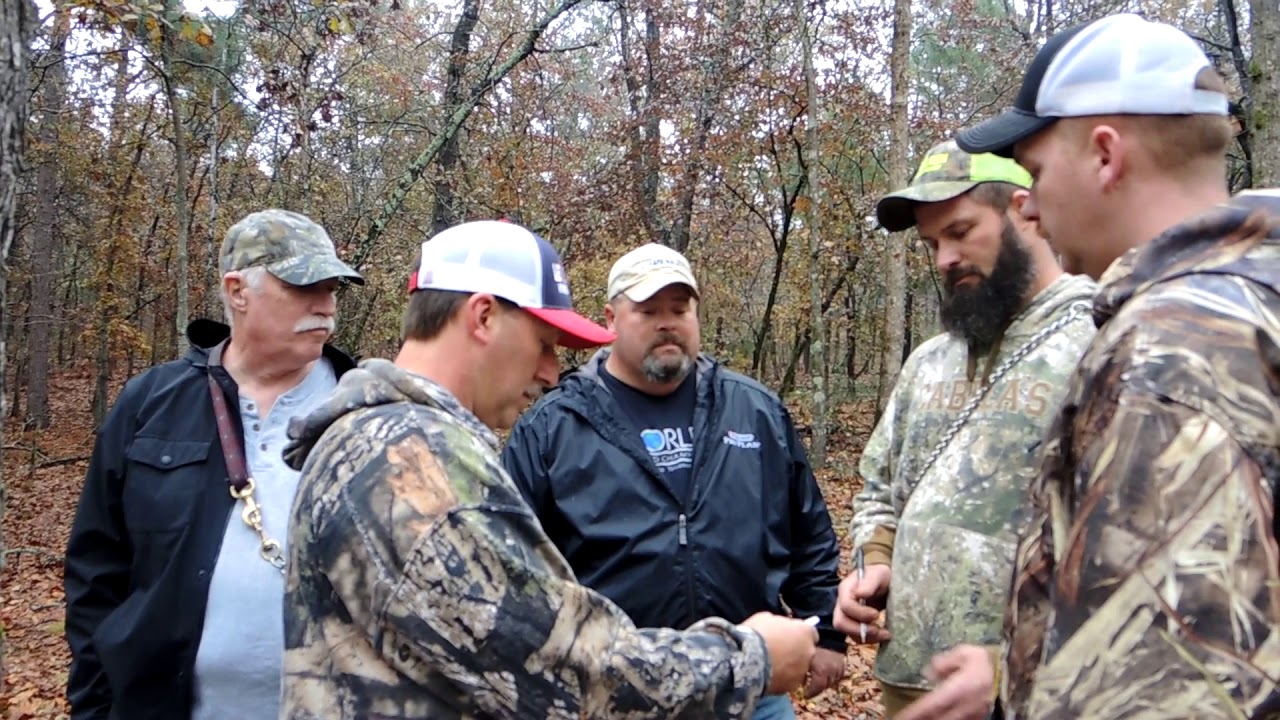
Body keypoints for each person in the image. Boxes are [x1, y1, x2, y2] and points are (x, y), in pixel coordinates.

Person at [884, 13, 1280, 720]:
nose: (1032, 202)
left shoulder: (1170, 360)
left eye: (1035, 172)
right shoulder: (1243, 302)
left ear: (1104, 155)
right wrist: (1017, 672)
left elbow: (1175, 689)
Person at [278, 219, 821, 719]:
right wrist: (749, 659)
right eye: (543, 344)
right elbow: (554, 665)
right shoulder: (406, 464)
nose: (550, 371)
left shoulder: (381, 438)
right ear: (484, 316)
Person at [499, 242, 847, 719]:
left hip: (751, 689)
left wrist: (826, 632)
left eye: (680, 308)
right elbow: (514, 565)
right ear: (611, 318)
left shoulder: (753, 411)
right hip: (617, 693)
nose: (668, 322)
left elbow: (808, 532)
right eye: (648, 310)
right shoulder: (553, 426)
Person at [63, 209, 364, 720]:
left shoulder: (364, 411)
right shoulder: (151, 402)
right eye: (303, 285)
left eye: (333, 287)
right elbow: (97, 569)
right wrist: (94, 704)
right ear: (237, 290)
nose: (325, 305)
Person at [832, 139, 1097, 718]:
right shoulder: (929, 362)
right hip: (911, 681)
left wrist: (1015, 666)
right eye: (931, 244)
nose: (942, 259)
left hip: (1042, 692)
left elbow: (1126, 548)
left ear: (1026, 210)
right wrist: (874, 562)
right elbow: (879, 489)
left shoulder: (1100, 340)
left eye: (960, 231)